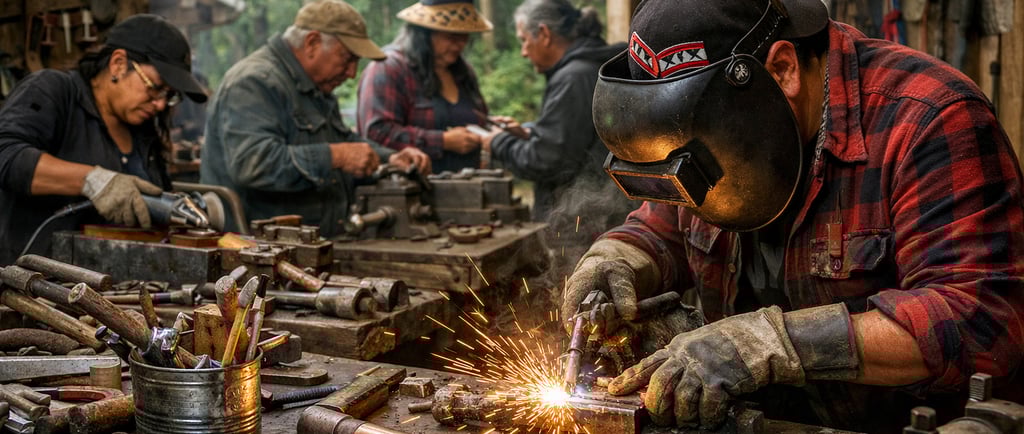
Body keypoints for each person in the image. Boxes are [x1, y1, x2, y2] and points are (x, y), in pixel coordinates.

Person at [562, 0, 1024, 432]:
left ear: (782, 70)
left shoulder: (930, 118)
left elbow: (978, 321)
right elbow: (661, 224)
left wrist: (771, 344)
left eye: (704, 153)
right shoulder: (707, 133)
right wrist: (615, 260)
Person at [201, 0, 430, 235]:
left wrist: (390, 158)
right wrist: (335, 156)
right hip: (258, 248)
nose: (352, 73)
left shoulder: (317, 88)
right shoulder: (254, 82)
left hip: (315, 240)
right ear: (312, 43)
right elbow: (254, 164)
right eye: (348, 58)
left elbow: (344, 139)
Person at [0, 14, 208, 265]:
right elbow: (6, 154)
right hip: (38, 282)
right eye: (155, 87)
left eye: (169, 95)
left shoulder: (143, 130)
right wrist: (93, 181)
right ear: (118, 64)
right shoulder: (55, 91)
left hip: (117, 284)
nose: (161, 103)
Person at [481, 0, 637, 255]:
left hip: (581, 224)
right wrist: (532, 132)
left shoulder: (573, 77)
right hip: (601, 215)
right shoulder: (593, 67)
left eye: (523, 39)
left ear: (543, 34)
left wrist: (497, 142)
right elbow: (581, 135)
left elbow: (546, 160)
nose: (522, 51)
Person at [356, 0, 495, 174]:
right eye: (451, 36)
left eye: (464, 36)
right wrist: (443, 141)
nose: (460, 44)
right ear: (424, 34)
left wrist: (493, 132)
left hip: (469, 188)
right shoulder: (389, 68)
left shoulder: (464, 72)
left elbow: (478, 119)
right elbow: (377, 134)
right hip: (410, 191)